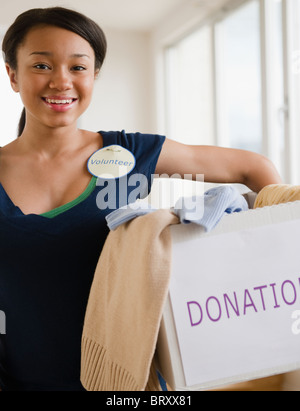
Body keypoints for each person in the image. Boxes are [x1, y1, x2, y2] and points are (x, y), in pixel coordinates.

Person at [0, 7, 282, 391]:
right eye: (42, 66)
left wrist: (275, 255)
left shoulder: (129, 151)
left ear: (95, 75)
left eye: (78, 67)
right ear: (13, 75)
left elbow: (254, 167)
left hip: (129, 386)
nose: (61, 81)